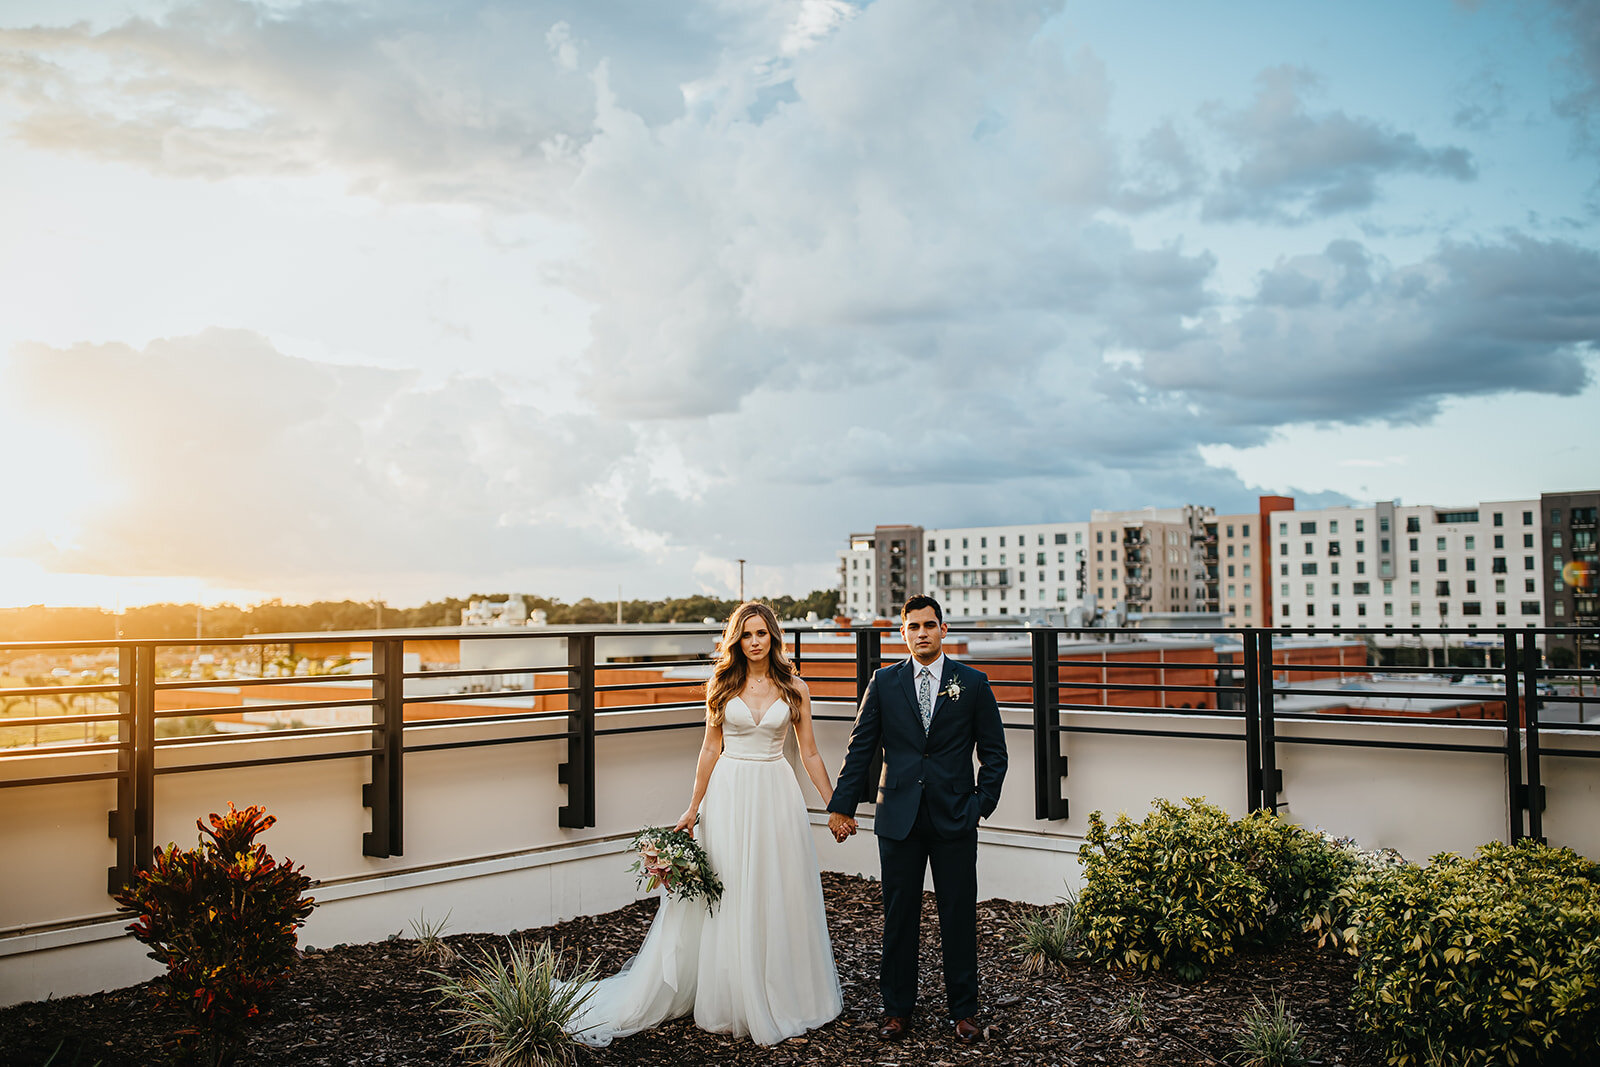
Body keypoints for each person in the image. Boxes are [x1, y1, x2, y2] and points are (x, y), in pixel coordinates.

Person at [563, 601, 843, 1047]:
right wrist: (692, 808)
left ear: (773, 638)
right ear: (736, 639)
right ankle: (729, 994)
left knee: (776, 887)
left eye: (762, 634)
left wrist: (835, 804)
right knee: (729, 889)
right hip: (729, 795)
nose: (754, 642)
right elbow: (709, 750)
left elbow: (809, 752)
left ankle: (782, 991)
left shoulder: (795, 688)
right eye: (747, 634)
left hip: (775, 793)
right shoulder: (721, 684)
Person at [827, 594, 1007, 1044]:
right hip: (898, 819)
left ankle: (964, 1011)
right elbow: (860, 749)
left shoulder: (974, 682)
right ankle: (897, 1011)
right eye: (913, 626)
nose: (921, 633)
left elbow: (995, 754)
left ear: (943, 630)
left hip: (955, 819)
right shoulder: (884, 683)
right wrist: (842, 805)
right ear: (902, 632)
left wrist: (979, 805)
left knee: (959, 916)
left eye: (929, 625)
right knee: (899, 917)